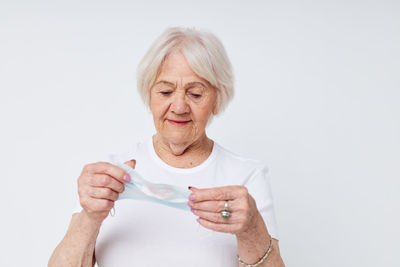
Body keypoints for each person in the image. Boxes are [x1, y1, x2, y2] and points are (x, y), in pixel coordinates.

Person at [48, 27, 285, 267]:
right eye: (166, 91)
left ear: (217, 99)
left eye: (195, 93)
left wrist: (252, 229)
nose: (179, 106)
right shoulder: (109, 175)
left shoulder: (246, 176)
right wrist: (89, 216)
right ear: (148, 95)